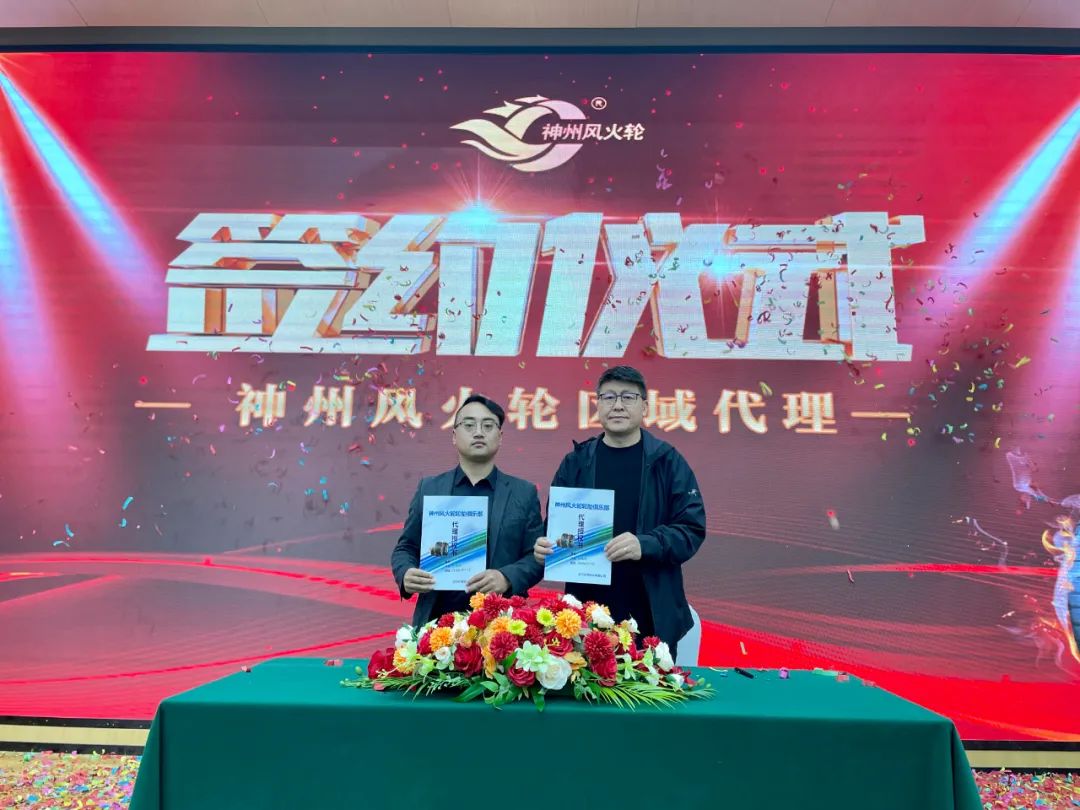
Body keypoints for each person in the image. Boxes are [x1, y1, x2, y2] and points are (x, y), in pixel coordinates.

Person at [533, 366, 705, 658]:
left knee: (650, 686)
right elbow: (555, 529)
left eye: (628, 397)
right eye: (609, 397)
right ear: (598, 405)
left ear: (644, 406)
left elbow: (692, 529)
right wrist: (544, 545)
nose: (618, 405)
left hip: (650, 611)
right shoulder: (576, 463)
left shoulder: (667, 462)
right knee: (587, 686)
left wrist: (645, 544)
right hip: (586, 615)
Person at [391, 394, 545, 626]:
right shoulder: (430, 488)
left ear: (500, 437)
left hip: (502, 627)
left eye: (488, 426)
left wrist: (506, 578)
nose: (479, 432)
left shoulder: (523, 492)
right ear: (454, 436)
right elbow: (406, 547)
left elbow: (537, 557)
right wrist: (406, 573)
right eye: (469, 425)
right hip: (437, 626)